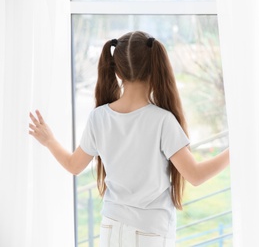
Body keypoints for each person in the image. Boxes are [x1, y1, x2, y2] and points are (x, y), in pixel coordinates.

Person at [28, 30, 230, 247]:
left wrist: (49, 140)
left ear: (118, 71)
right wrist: (236, 149)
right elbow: (196, 175)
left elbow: (73, 166)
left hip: (111, 227)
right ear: (155, 67)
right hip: (150, 231)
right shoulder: (162, 120)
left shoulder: (99, 117)